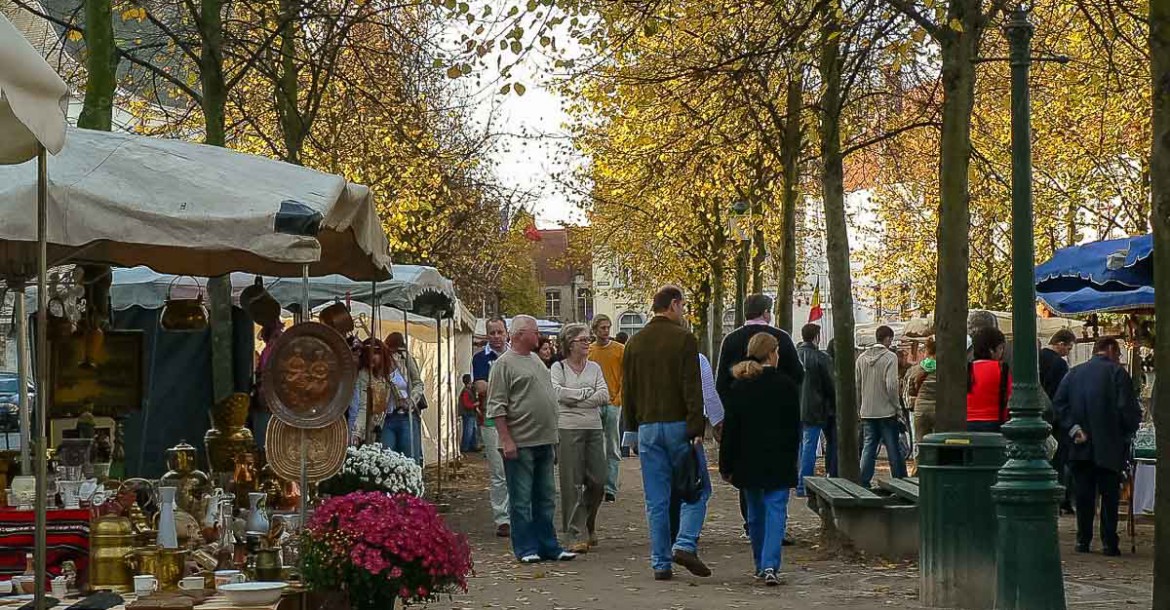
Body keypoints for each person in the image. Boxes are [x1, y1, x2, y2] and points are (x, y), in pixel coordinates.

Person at [623, 285, 711, 581]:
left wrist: (631, 431)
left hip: (647, 427)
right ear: (673, 304)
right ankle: (685, 542)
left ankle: (660, 562)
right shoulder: (684, 339)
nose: (683, 311)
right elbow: (691, 386)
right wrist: (696, 427)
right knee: (697, 488)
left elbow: (629, 389)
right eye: (682, 306)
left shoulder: (634, 342)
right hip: (678, 426)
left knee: (656, 499)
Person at [486, 315, 577, 564]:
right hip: (520, 442)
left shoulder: (536, 359)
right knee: (521, 499)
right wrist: (506, 439)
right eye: (535, 332)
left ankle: (548, 545)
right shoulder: (503, 365)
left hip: (544, 440)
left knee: (546, 497)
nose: (539, 336)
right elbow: (496, 406)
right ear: (520, 334)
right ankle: (526, 548)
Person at [715, 294, 802, 536]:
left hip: (744, 420)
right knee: (776, 482)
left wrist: (732, 407)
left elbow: (721, 382)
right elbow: (798, 375)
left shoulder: (731, 340)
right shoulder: (780, 338)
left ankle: (751, 524)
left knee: (748, 474)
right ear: (766, 312)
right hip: (777, 419)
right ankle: (776, 528)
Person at [720, 332, 801, 586]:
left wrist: (726, 464)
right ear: (771, 353)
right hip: (779, 458)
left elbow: (731, 430)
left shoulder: (740, 386)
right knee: (776, 511)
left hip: (748, 459)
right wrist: (793, 459)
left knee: (755, 514)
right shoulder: (786, 385)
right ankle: (770, 564)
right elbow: (794, 428)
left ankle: (759, 562)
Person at [1052, 337, 1142, 556]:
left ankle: (1083, 539)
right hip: (1109, 444)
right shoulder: (1117, 373)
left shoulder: (1073, 373)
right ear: (1110, 349)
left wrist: (1073, 429)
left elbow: (1059, 404)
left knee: (1084, 495)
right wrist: (1127, 431)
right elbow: (1127, 409)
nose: (1118, 358)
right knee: (1109, 496)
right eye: (1118, 354)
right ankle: (1109, 542)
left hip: (1080, 445)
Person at [551, 324, 610, 554]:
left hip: (593, 427)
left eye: (588, 339)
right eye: (583, 340)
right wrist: (584, 393)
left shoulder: (594, 368)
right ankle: (574, 533)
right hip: (568, 428)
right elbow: (556, 393)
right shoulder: (558, 368)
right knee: (572, 482)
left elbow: (604, 395)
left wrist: (574, 400)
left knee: (598, 481)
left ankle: (586, 522)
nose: (587, 343)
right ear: (570, 344)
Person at [668, 351, 722, 543]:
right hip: (687, 427)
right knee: (696, 484)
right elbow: (708, 393)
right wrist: (717, 422)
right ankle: (685, 538)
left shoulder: (647, 355)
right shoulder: (696, 358)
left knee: (666, 486)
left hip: (655, 426)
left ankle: (667, 536)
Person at [857, 325, 908, 488]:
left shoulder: (861, 358)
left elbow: (857, 385)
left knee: (869, 447)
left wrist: (860, 406)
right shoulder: (890, 357)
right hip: (886, 411)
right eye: (890, 340)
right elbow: (892, 385)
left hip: (867, 411)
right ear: (887, 339)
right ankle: (900, 481)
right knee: (893, 447)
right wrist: (897, 407)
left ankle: (863, 480)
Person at [474, 316, 511, 538]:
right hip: (490, 419)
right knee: (498, 471)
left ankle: (518, 513)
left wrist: (494, 386)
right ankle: (502, 518)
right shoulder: (480, 358)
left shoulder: (515, 355)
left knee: (516, 469)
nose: (496, 337)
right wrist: (507, 387)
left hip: (515, 419)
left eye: (499, 332)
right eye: (492, 333)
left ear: (507, 333)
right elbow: (481, 386)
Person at [588, 314, 625, 502]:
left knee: (612, 445)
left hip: (612, 402)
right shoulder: (589, 350)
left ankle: (610, 487)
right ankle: (595, 484)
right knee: (594, 446)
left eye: (607, 327)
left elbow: (625, 375)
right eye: (602, 328)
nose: (605, 331)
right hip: (594, 403)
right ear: (594, 330)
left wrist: (619, 398)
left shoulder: (619, 350)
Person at [796, 324, 836, 497]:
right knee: (810, 446)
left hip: (795, 407)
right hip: (815, 408)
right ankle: (804, 484)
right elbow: (830, 385)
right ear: (816, 337)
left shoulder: (794, 356)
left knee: (801, 446)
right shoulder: (821, 358)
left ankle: (799, 483)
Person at [1041, 329, 1077, 514]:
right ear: (1060, 344)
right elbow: (1061, 395)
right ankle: (1060, 500)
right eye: (1068, 348)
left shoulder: (1037, 357)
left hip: (1038, 416)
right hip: (1055, 420)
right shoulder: (1060, 364)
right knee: (1058, 460)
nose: (1068, 352)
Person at [967, 327, 1011, 433]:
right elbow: (1010, 396)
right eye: (1000, 348)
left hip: (967, 422)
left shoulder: (968, 369)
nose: (1002, 352)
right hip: (994, 422)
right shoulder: (1002, 369)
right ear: (991, 350)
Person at [348, 338, 390, 445]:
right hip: (360, 425)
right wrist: (356, 432)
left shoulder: (384, 377)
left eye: (376, 353)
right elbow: (361, 406)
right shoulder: (364, 375)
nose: (372, 358)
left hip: (376, 425)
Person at [905, 337, 938, 450]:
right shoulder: (945, 369)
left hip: (920, 409)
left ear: (927, 351)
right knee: (939, 442)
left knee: (921, 443)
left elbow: (910, 391)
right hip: (939, 410)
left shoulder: (917, 369)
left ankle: (921, 460)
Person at [459, 374, 479, 453]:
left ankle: (472, 446)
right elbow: (466, 404)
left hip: (470, 413)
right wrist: (475, 404)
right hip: (468, 413)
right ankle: (465, 447)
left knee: (472, 430)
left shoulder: (468, 390)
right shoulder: (466, 391)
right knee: (469, 431)